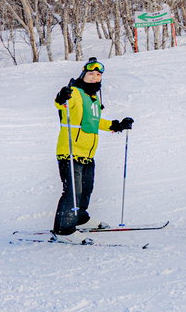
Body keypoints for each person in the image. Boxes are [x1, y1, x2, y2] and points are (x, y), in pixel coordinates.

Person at [52, 58, 133, 240]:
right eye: (91, 74)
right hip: (70, 152)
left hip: (88, 153)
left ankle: (80, 219)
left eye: (98, 75)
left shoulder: (93, 98)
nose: (95, 77)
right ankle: (63, 230)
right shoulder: (74, 92)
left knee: (86, 189)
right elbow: (60, 103)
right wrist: (62, 96)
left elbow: (93, 122)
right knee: (72, 192)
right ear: (83, 74)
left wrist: (117, 125)